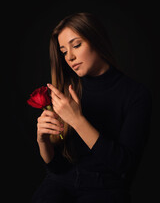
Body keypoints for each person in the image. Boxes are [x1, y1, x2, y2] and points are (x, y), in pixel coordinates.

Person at [31, 12, 152, 203]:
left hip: (105, 188)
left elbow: (124, 166)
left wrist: (77, 120)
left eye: (76, 45)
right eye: (63, 51)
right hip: (60, 183)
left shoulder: (136, 95)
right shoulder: (68, 89)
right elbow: (57, 168)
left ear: (97, 40)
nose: (69, 57)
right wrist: (42, 141)